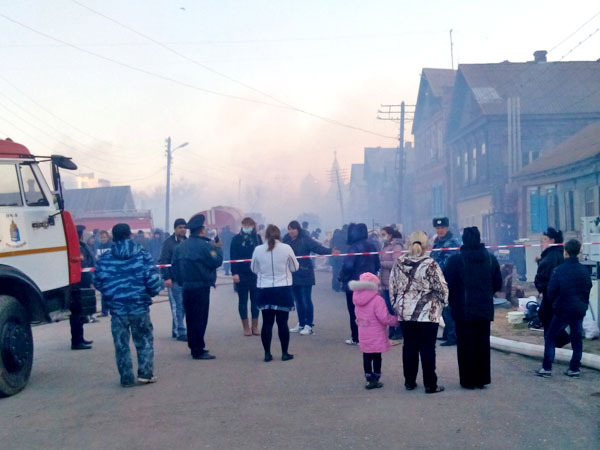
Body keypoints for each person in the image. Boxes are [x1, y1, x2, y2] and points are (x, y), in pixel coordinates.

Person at [94, 223, 162, 387]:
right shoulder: (142, 255)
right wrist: (150, 293)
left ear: (113, 237)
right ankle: (145, 374)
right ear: (130, 235)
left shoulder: (104, 258)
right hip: (139, 306)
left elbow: (97, 281)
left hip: (117, 309)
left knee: (121, 344)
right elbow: (153, 280)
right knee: (144, 340)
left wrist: (111, 294)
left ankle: (126, 378)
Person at [389, 230, 448, 394]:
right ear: (426, 244)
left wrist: (396, 305)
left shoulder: (399, 262)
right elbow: (441, 288)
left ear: (409, 243)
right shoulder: (430, 264)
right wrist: (443, 303)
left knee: (409, 346)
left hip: (405, 312)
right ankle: (430, 384)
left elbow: (392, 286)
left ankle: (409, 381)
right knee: (428, 348)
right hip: (427, 312)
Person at [444, 227, 503, 389]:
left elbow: (447, 283)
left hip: (462, 309)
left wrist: (452, 300)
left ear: (463, 240)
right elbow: (498, 283)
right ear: (479, 238)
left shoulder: (456, 260)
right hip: (484, 308)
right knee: (482, 344)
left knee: (465, 345)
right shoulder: (490, 259)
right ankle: (482, 378)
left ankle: (468, 380)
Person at [536, 239, 592, 378]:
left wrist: (556, 304)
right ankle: (574, 368)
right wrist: (583, 304)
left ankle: (547, 368)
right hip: (579, 309)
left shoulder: (559, 270)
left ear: (565, 252)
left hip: (562, 309)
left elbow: (551, 290)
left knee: (551, 337)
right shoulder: (584, 270)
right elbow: (588, 287)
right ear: (578, 252)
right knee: (576, 338)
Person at [172, 214, 223, 360]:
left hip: (186, 287)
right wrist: (218, 248)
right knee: (200, 318)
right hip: (201, 286)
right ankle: (198, 349)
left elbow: (174, 266)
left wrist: (181, 282)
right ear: (201, 230)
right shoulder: (206, 246)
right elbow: (216, 261)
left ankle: (193, 346)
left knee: (190, 317)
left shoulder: (180, 247)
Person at [251, 225, 299, 362]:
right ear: (279, 235)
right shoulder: (287, 248)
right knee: (282, 323)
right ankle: (284, 353)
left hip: (265, 289)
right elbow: (295, 267)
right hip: (283, 288)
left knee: (267, 323)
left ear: (266, 235)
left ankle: (267, 354)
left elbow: (254, 269)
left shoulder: (258, 249)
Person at [283, 220, 335, 336]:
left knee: (306, 300)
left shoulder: (305, 240)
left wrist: (330, 251)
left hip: (305, 274)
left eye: (293, 229)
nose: (291, 231)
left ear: (298, 229)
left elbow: (318, 248)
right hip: (292, 274)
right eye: (289, 229)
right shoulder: (286, 241)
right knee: (298, 301)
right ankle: (301, 323)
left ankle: (309, 325)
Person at [350, 272, 399, 389]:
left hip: (363, 332)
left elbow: (357, 314)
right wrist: (396, 320)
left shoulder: (356, 298)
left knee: (366, 355)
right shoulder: (377, 300)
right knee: (377, 356)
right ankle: (376, 378)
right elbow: (384, 317)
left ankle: (368, 378)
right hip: (376, 333)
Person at [339, 223, 381, 345]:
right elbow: (377, 264)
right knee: (369, 311)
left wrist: (341, 277)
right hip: (370, 283)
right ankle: (370, 336)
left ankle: (356, 337)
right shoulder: (372, 246)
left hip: (354, 284)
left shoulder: (353, 248)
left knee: (354, 311)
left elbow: (348, 266)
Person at [535, 227, 570, 348]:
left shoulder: (550, 256)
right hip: (562, 293)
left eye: (545, 239)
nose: (543, 242)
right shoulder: (561, 252)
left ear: (552, 240)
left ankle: (556, 344)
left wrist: (540, 286)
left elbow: (545, 275)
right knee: (552, 318)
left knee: (547, 317)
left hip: (550, 294)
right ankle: (558, 343)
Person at [230, 217, 263, 336]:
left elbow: (262, 255)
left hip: (255, 274)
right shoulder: (236, 239)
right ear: (242, 225)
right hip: (241, 274)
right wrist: (234, 273)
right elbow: (233, 257)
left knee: (256, 301)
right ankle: (245, 327)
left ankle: (255, 326)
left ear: (253, 226)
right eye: (245, 225)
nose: (247, 227)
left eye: (250, 225)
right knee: (243, 301)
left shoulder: (257, 238)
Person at [431, 217, 460, 346]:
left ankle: (453, 336)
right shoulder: (437, 242)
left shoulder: (451, 243)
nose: (440, 230)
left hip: (449, 280)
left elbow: (449, 263)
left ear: (447, 228)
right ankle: (447, 333)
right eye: (438, 228)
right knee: (443, 308)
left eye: (442, 228)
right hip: (439, 280)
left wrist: (433, 268)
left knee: (449, 309)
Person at [158, 218, 188, 341]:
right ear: (175, 229)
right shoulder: (168, 243)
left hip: (185, 279)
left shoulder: (187, 242)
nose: (182, 229)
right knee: (177, 306)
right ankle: (181, 331)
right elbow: (163, 261)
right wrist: (167, 277)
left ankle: (176, 329)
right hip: (173, 280)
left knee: (183, 306)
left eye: (184, 227)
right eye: (180, 227)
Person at [69, 225, 95, 350]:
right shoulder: (77, 247)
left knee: (81, 312)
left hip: (82, 282)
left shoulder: (81, 246)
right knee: (77, 313)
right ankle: (76, 341)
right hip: (78, 283)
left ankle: (80, 338)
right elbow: (83, 263)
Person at [379, 226, 404, 343]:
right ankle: (392, 329)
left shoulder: (396, 246)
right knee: (388, 308)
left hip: (393, 281)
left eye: (383, 234)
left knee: (395, 308)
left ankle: (400, 330)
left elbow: (396, 263)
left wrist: (381, 263)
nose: (382, 237)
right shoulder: (385, 246)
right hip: (385, 281)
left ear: (390, 234)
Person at [96, 230, 112, 317]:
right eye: (101, 237)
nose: (103, 239)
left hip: (111, 272)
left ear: (108, 237)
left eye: (104, 237)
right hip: (103, 272)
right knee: (104, 292)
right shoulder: (99, 247)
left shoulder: (112, 246)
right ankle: (104, 311)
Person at [330, 227, 347, 292]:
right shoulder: (344, 237)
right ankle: (340, 286)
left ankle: (335, 286)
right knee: (340, 272)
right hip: (341, 257)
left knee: (335, 272)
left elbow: (331, 247)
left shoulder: (333, 239)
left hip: (334, 257)